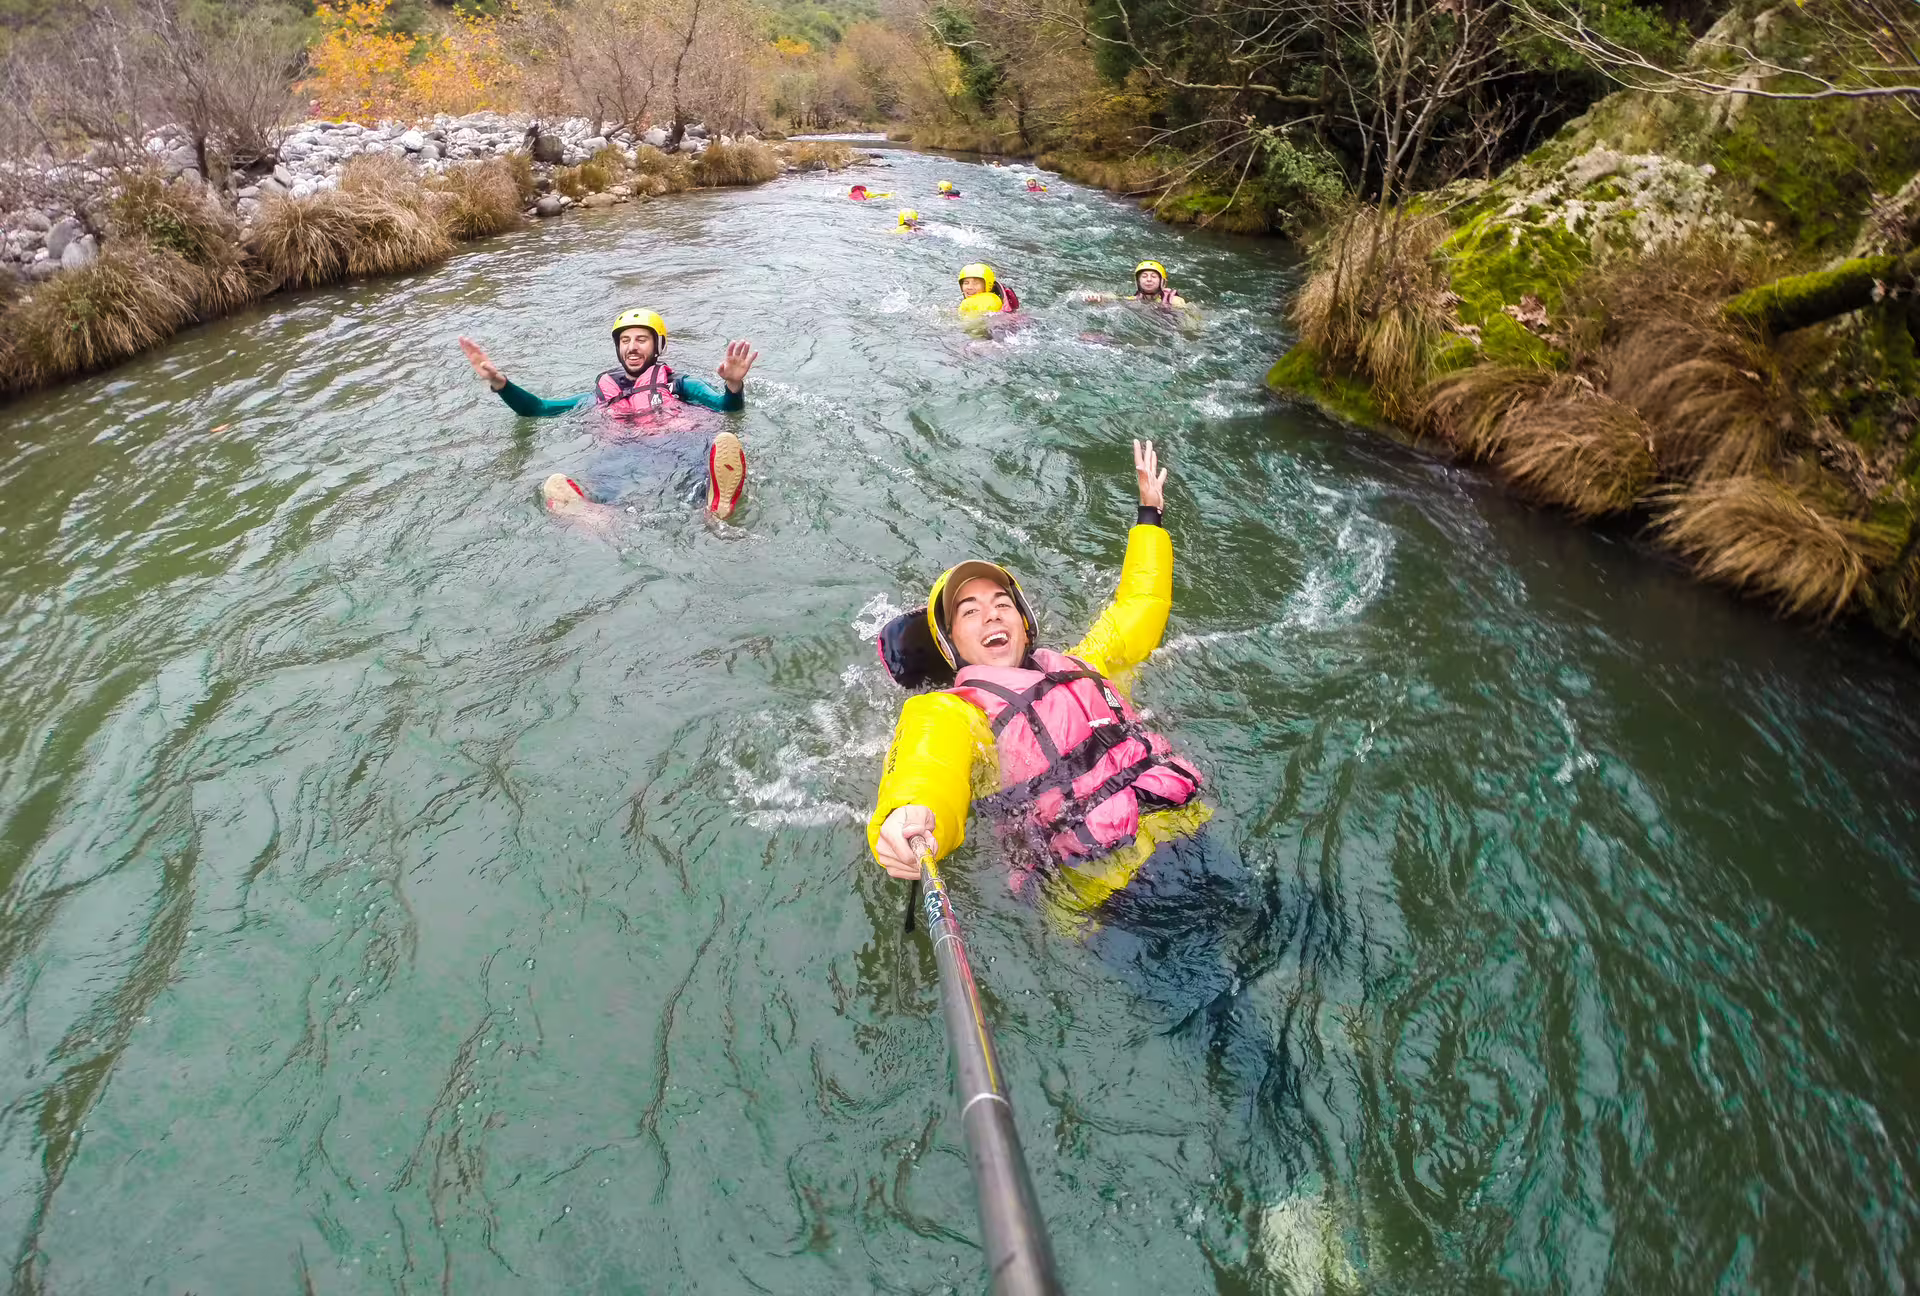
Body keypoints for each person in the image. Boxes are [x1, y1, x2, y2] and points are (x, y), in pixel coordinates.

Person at [868, 440, 1215, 918]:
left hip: (1188, 833)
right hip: (1107, 892)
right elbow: (926, 766)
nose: (991, 617)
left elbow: (1141, 605)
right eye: (970, 612)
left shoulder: (1085, 661)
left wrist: (1150, 517)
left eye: (1002, 604)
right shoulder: (952, 712)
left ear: (1024, 620)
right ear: (950, 646)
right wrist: (909, 816)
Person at [458, 309, 758, 521]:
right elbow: (536, 409)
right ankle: (594, 513)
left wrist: (733, 384)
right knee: (604, 473)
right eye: (625, 340)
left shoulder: (679, 384)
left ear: (658, 346)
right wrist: (501, 385)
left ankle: (714, 501)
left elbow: (727, 411)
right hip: (625, 450)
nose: (632, 346)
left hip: (677, 441)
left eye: (642, 339)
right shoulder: (601, 396)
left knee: (708, 449)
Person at [1085, 259, 1187, 309]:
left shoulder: (1174, 301)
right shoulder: (1136, 299)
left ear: (1162, 281)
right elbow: (1117, 298)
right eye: (1144, 276)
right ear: (1138, 281)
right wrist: (1099, 297)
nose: (1149, 280)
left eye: (1154, 276)